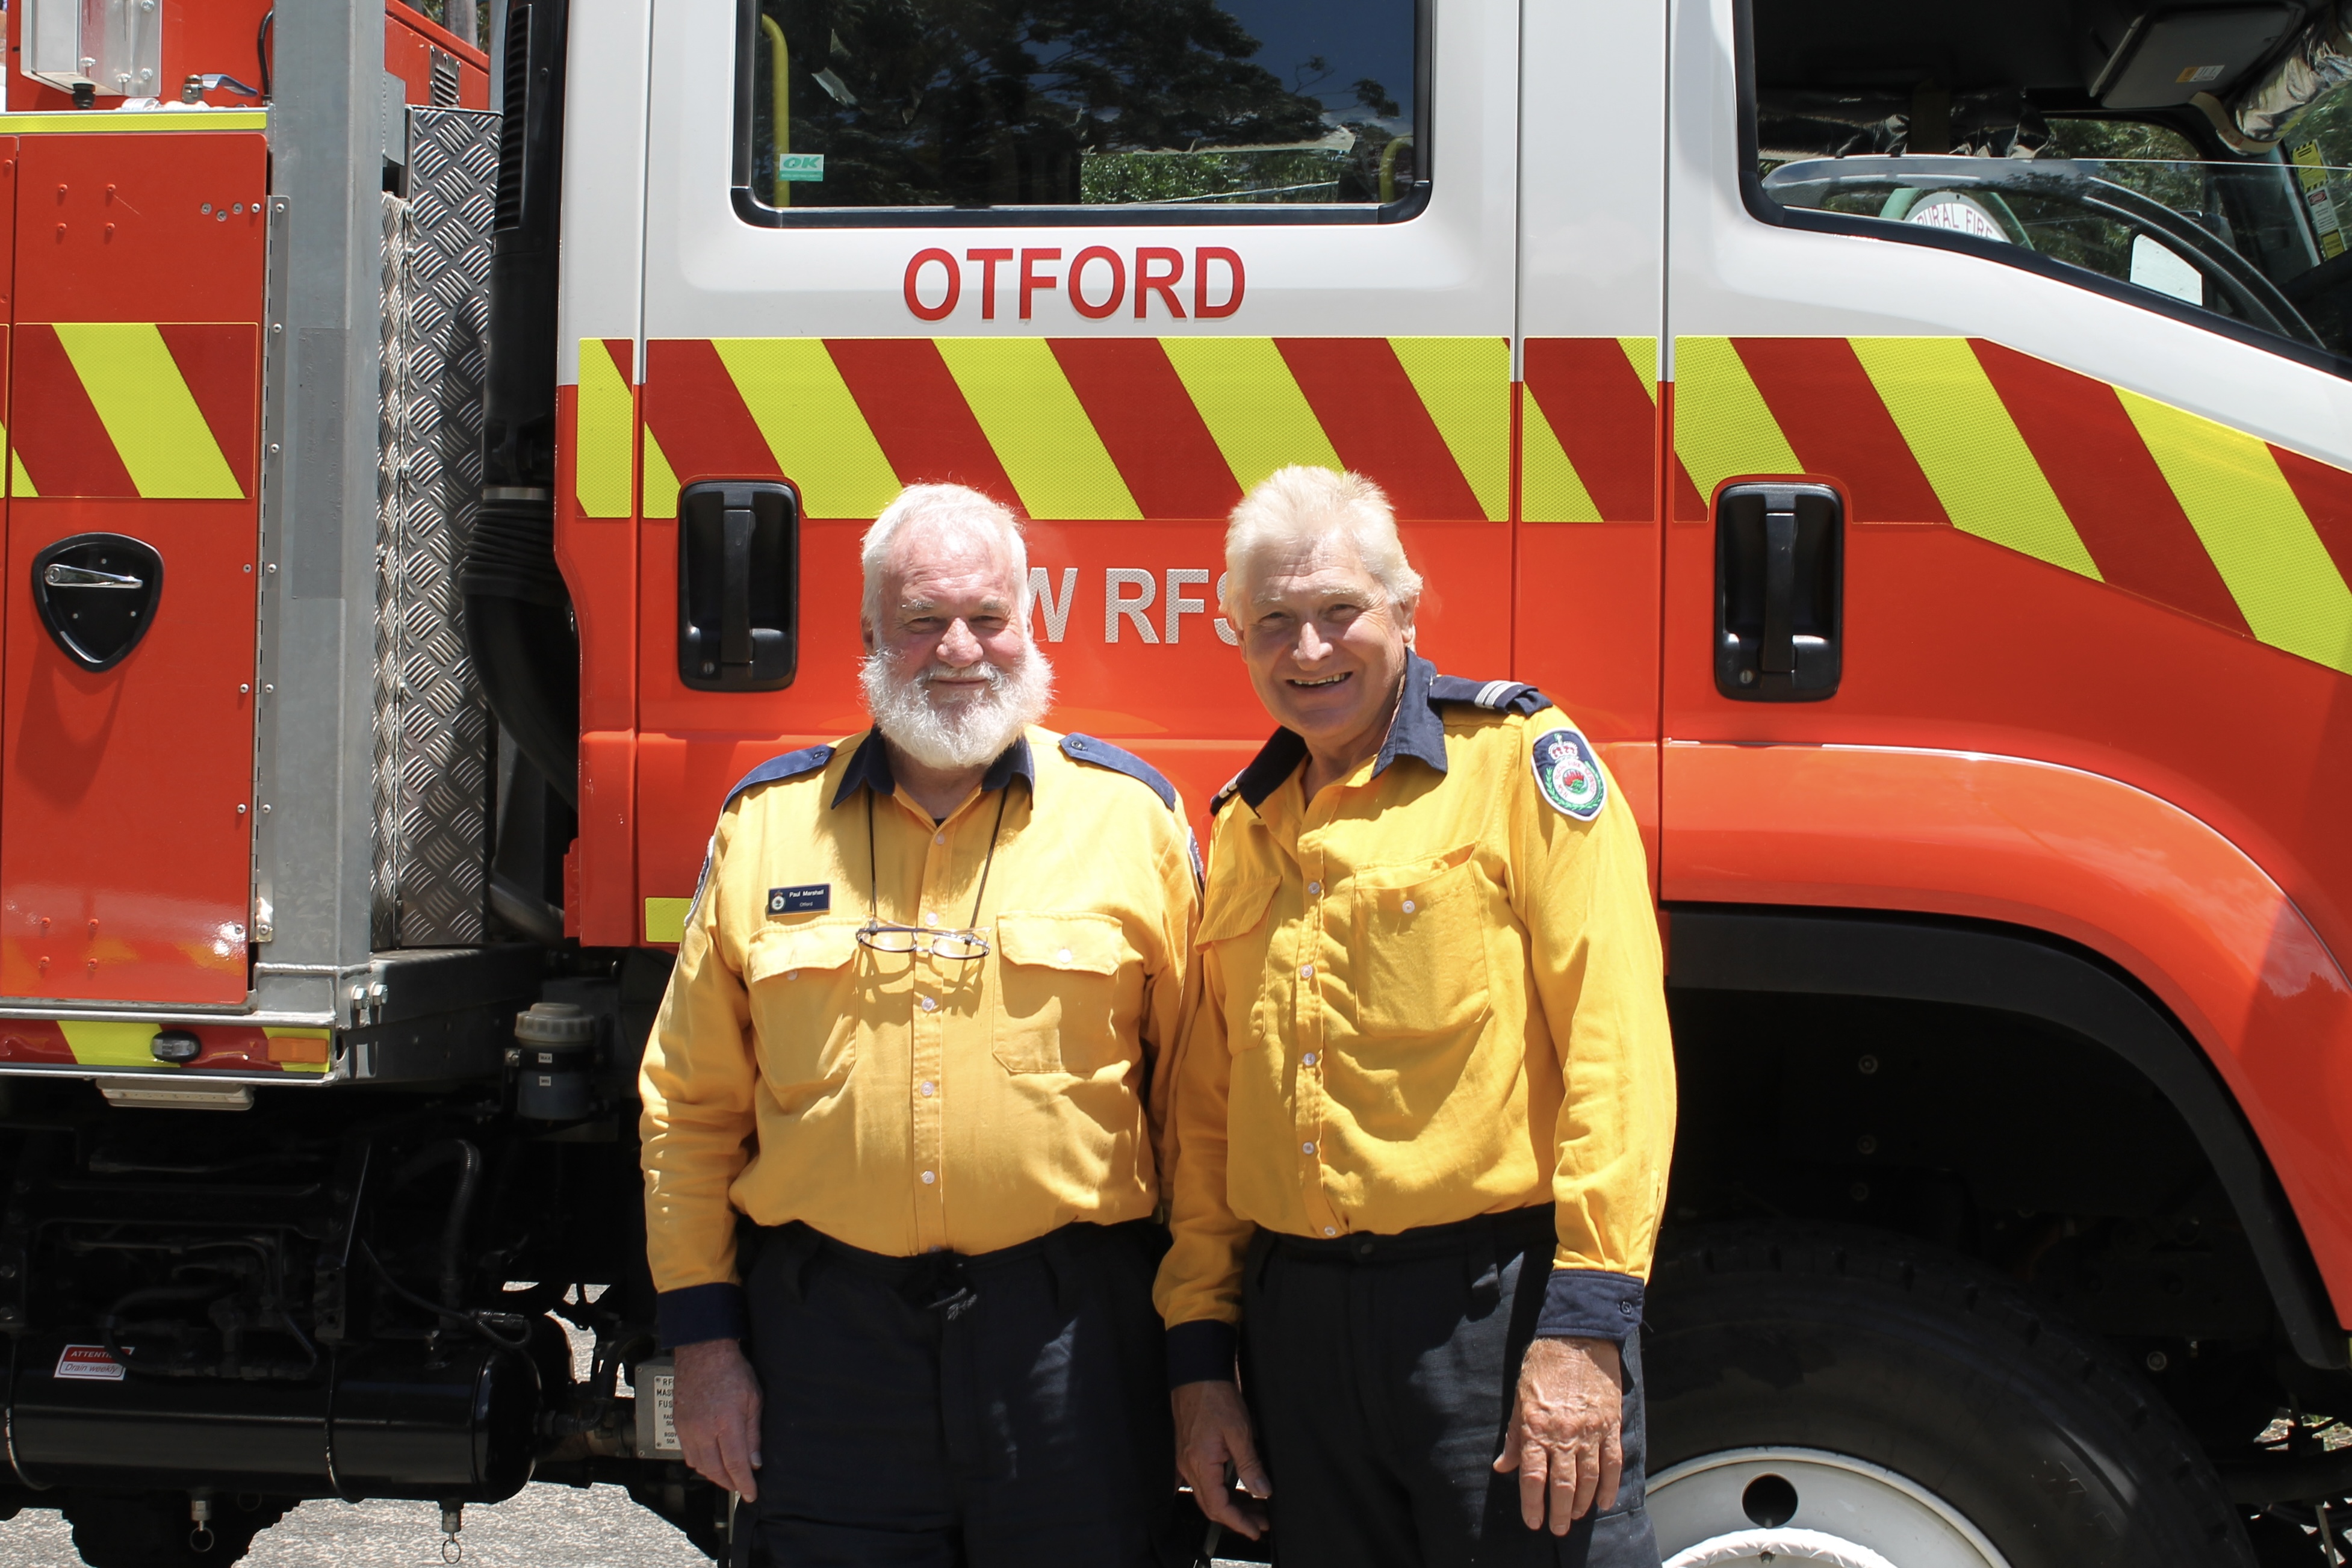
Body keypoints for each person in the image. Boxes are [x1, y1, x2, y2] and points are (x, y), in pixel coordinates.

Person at [639, 482, 1199, 1565]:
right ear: (867, 636)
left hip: (1072, 1343)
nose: (959, 649)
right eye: (922, 620)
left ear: (1030, 623)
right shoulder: (767, 826)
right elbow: (688, 1110)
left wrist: (1203, 1355)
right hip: (831, 1350)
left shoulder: (1133, 821)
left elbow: (1200, 1111)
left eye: (988, 616)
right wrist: (703, 1343)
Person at [1158, 466, 1676, 1567]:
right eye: (1274, 621)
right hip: (1298, 1338)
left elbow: (1617, 1048)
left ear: (1404, 609)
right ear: (1238, 636)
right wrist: (1202, 1354)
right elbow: (1209, 1120)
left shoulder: (1518, 764)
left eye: (1339, 609)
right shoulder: (1246, 825)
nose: (1309, 649)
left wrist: (1586, 1323)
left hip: (1490, 1321)